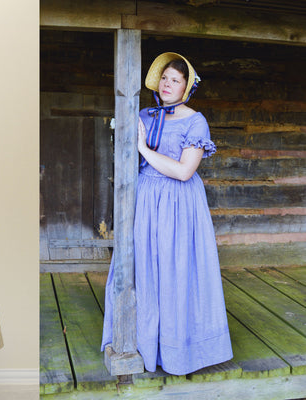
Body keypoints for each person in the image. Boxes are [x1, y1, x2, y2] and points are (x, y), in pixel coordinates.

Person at [102, 52, 233, 375]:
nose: (167, 84)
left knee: (176, 270)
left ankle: (177, 349)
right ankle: (140, 341)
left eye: (176, 80)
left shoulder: (195, 120)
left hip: (178, 203)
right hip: (146, 199)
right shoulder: (144, 114)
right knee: (142, 266)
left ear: (187, 87)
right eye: (164, 78)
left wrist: (144, 149)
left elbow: (185, 171)